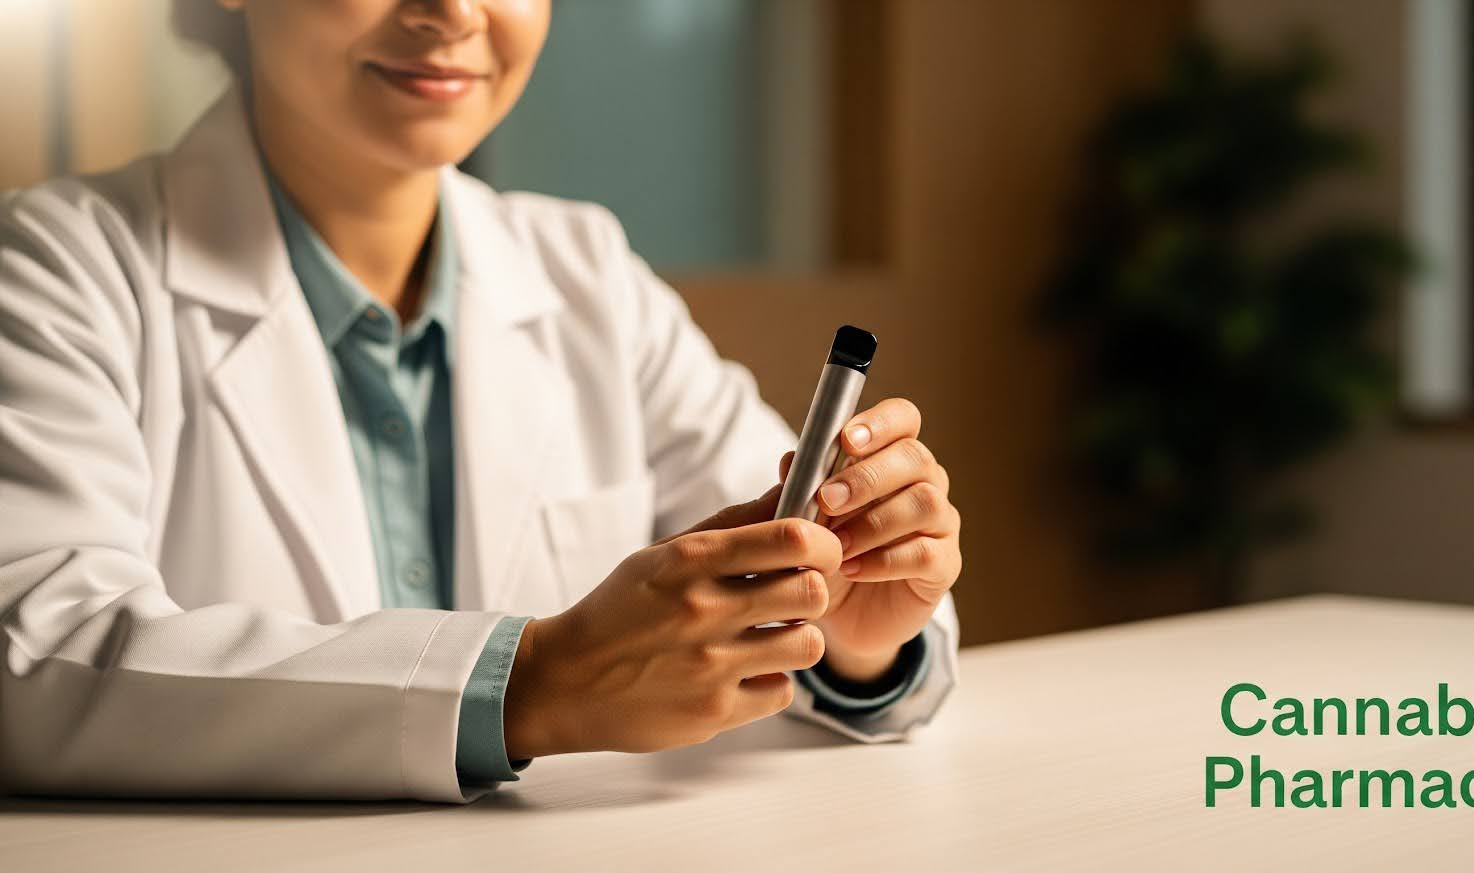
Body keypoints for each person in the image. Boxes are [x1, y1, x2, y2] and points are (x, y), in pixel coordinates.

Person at [0, 0, 961, 802]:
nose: (454, 12)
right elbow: (38, 660)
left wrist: (845, 630)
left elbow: (797, 573)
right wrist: (530, 684)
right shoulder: (58, 268)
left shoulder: (588, 274)